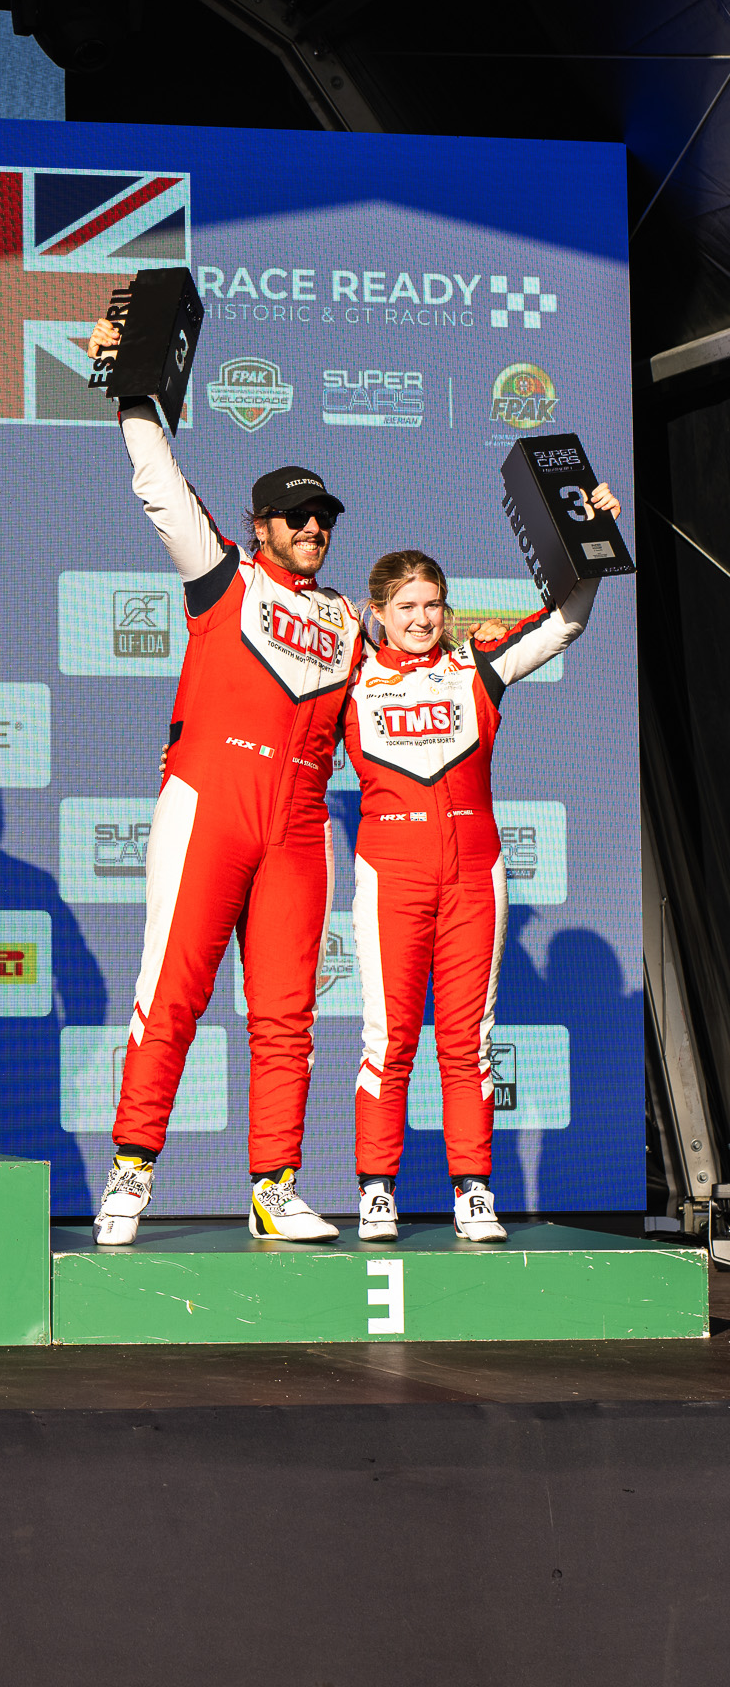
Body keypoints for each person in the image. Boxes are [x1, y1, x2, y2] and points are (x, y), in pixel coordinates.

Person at [86, 318, 363, 1245]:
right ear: (261, 527)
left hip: (298, 829)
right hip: (211, 805)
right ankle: (132, 1171)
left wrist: (585, 549)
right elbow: (160, 484)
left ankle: (275, 1187)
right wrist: (129, 382)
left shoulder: (352, 620)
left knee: (287, 1017)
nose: (314, 527)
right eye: (297, 516)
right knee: (171, 994)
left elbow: (428, 679)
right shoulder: (225, 576)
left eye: (324, 517)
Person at [345, 506, 616, 1243]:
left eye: (433, 605)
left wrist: (591, 540)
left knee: (469, 1041)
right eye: (406, 607)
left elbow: (564, 623)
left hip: (475, 875)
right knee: (388, 1040)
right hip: (391, 876)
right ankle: (377, 1189)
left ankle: (473, 1189)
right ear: (378, 612)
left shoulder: (478, 666)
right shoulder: (350, 676)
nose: (422, 619)